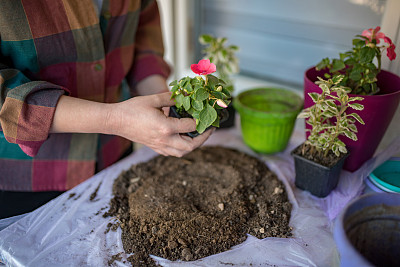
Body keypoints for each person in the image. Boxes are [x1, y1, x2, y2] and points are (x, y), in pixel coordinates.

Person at [0, 0, 213, 219]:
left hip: (115, 154)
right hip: (29, 175)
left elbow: (142, 33)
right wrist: (115, 120)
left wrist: (161, 100)